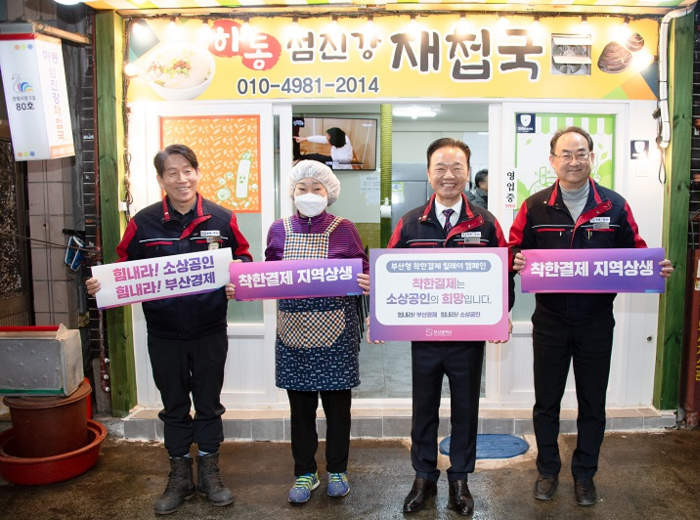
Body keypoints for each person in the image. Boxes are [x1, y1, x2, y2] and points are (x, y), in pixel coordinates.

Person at [508, 127, 674, 507]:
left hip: (597, 321)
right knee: (546, 402)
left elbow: (635, 253)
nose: (574, 161)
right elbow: (512, 252)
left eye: (581, 153)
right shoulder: (534, 207)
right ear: (552, 160)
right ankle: (548, 470)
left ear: (591, 158)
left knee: (593, 403)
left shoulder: (614, 206)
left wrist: (654, 268)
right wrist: (514, 262)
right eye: (565, 154)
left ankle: (584, 474)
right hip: (550, 321)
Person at [86, 144, 252, 515]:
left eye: (187, 170)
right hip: (163, 334)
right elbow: (123, 267)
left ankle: (209, 472)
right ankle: (179, 475)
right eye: (172, 173)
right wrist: (101, 285)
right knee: (174, 404)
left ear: (198, 173)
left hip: (209, 330)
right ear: (161, 180)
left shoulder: (222, 219)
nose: (181, 179)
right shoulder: (143, 223)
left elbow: (243, 257)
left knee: (208, 403)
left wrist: (238, 277)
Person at [384, 138, 514, 516]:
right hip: (424, 338)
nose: (448, 175)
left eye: (457, 167)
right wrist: (380, 309)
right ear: (429, 173)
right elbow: (389, 271)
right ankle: (424, 476)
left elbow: (504, 274)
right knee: (423, 409)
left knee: (465, 410)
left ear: (468, 172)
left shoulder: (486, 223)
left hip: (467, 339)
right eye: (440, 167)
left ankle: (460, 478)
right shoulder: (410, 222)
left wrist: (501, 313)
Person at [266, 160, 370, 505]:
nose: (309, 194)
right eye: (302, 188)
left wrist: (366, 280)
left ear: (329, 193)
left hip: (336, 331)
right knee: (301, 411)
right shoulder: (277, 229)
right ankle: (305, 472)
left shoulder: (345, 228)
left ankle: (338, 470)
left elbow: (362, 268)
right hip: (293, 331)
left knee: (339, 410)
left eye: (317, 188)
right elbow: (268, 273)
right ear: (292, 192)